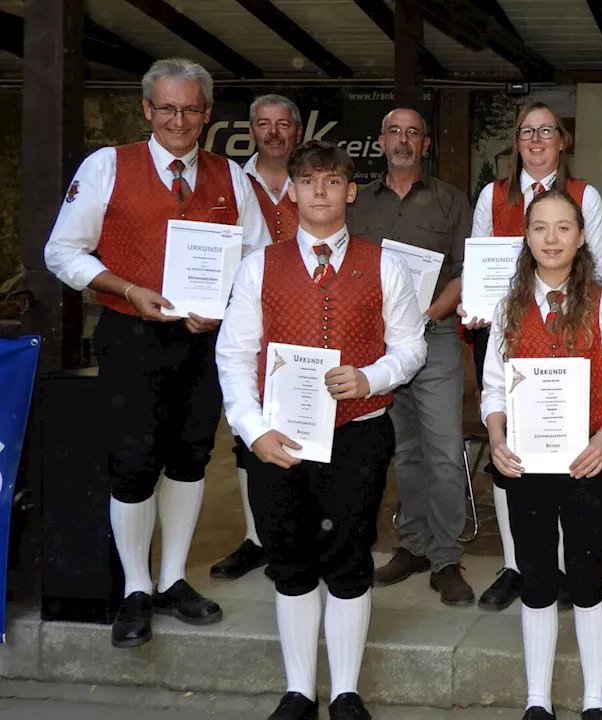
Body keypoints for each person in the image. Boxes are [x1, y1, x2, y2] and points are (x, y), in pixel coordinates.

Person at [44, 57, 269, 649]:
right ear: (147, 110)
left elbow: (260, 258)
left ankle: (172, 579)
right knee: (134, 460)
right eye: (167, 108)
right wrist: (127, 289)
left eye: (191, 109)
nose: (179, 120)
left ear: (206, 114)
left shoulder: (232, 177)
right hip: (131, 331)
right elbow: (63, 253)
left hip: (205, 339)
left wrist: (224, 304)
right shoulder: (105, 167)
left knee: (192, 457)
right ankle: (135, 589)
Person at [216, 140, 426, 720]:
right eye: (307, 181)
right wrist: (253, 430)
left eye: (332, 181)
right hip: (277, 437)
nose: (319, 191)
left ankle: (346, 691)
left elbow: (409, 347)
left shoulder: (385, 264)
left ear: (350, 191)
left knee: (349, 556)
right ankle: (299, 690)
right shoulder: (259, 266)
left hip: (358, 430)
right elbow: (234, 356)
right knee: (290, 558)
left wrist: (371, 376)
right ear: (295, 190)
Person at [482, 189, 602, 720]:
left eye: (563, 227)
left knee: (587, 575)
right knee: (537, 575)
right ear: (526, 238)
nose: (551, 238)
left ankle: (595, 700)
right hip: (525, 465)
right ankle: (538, 700)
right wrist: (497, 439)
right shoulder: (508, 306)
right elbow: (493, 390)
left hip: (586, 462)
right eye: (540, 228)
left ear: (581, 236)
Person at [466, 102, 602, 612]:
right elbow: (480, 267)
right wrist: (481, 309)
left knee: (565, 462)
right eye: (526, 131)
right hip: (509, 334)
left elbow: (600, 278)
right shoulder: (491, 194)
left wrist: (580, 320)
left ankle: (571, 570)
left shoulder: (585, 195)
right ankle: (517, 566)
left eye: (545, 131)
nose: (535, 140)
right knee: (515, 455)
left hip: (574, 337)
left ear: (561, 140)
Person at [348, 107, 475, 605]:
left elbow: (467, 268)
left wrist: (429, 316)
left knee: (444, 450)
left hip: (435, 336)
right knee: (406, 451)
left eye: (413, 133)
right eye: (394, 132)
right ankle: (414, 545)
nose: (403, 140)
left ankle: (446, 557)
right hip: (378, 346)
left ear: (426, 144)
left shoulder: (450, 202)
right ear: (381, 141)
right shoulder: (357, 204)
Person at [212, 92, 304, 582]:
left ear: (297, 132)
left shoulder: (313, 181)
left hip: (303, 325)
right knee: (248, 433)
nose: (273, 132)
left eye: (283, 124)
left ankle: (296, 531)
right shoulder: (229, 181)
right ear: (252, 129)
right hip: (244, 322)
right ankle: (257, 536)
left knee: (301, 422)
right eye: (264, 123)